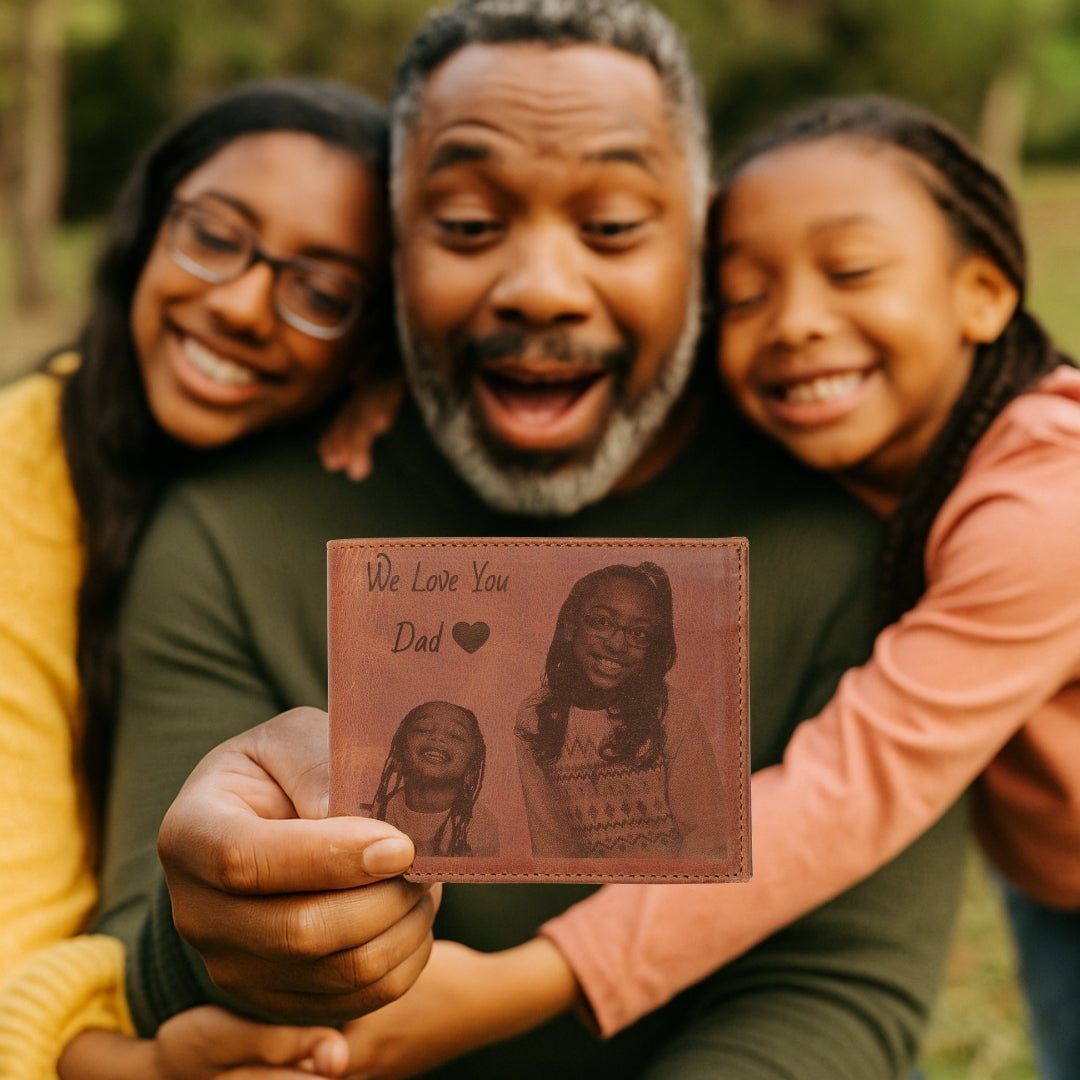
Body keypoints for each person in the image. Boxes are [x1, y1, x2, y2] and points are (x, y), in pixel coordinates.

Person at [94, 4, 969, 1078]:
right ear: (394, 252)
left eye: (611, 226)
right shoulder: (231, 534)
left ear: (699, 242)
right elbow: (147, 955)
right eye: (465, 224)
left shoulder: (851, 541)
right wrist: (234, 932)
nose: (543, 288)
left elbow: (834, 987)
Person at [335, 93, 1080, 1079]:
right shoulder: (871, 430)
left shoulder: (1049, 511)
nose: (797, 325)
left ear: (984, 293)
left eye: (851, 270)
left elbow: (845, 793)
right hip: (1053, 866)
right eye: (743, 295)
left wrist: (537, 977)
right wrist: (411, 386)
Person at [0, 79, 436, 1080]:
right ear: (147, 229)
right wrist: (129, 1066)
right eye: (213, 236)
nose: (242, 304)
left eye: (323, 294)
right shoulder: (19, 489)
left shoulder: (352, 488)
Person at [515, 561, 725, 858]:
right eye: (601, 622)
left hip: (669, 894)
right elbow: (552, 847)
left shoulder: (673, 712)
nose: (616, 644)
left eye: (639, 634)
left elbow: (707, 837)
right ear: (570, 623)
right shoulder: (535, 716)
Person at [369, 700, 499, 857]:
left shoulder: (478, 822)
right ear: (397, 757)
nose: (437, 737)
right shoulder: (383, 810)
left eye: (456, 735)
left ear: (470, 771)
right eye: (423, 729)